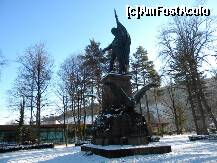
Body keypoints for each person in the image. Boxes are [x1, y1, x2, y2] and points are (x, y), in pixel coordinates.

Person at [102, 9, 131, 74]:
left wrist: (117, 19)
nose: (113, 33)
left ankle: (121, 71)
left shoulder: (121, 35)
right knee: (111, 60)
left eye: (113, 32)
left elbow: (120, 26)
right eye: (112, 33)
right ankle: (110, 70)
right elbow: (110, 45)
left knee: (120, 60)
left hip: (120, 50)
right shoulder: (115, 39)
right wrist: (104, 49)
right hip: (114, 50)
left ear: (116, 31)